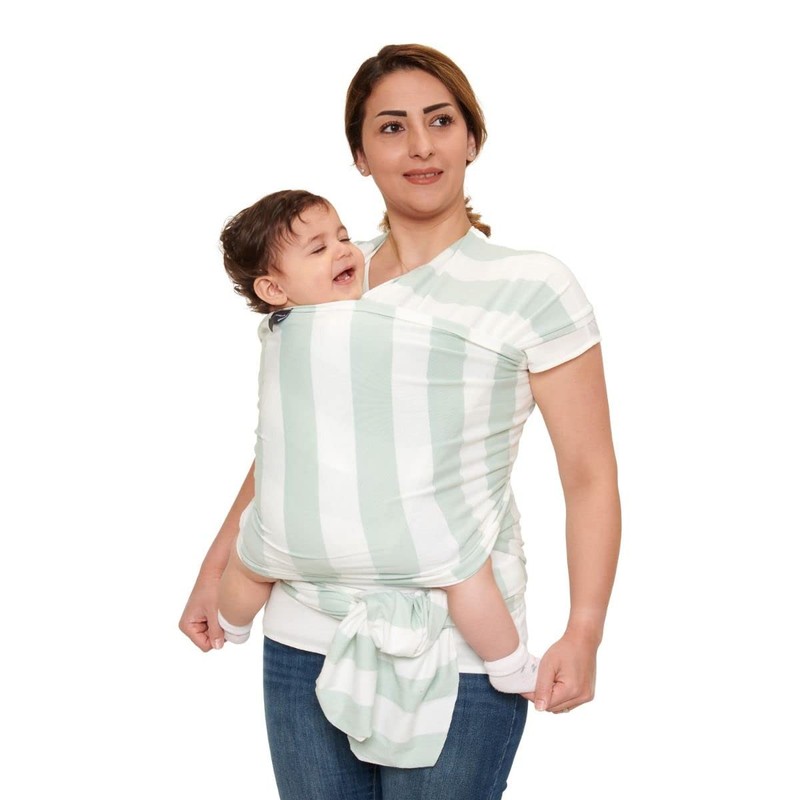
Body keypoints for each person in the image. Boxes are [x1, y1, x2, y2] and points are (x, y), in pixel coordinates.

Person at [180, 44, 620, 799]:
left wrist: (584, 630)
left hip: (461, 649)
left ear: (472, 137)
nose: (420, 146)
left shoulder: (531, 286)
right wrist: (214, 569)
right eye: (391, 127)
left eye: (440, 121)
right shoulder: (322, 275)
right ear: (359, 154)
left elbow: (589, 475)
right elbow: (291, 445)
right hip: (303, 637)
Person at [215, 188, 541, 706]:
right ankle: (509, 664)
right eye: (319, 249)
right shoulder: (316, 332)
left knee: (251, 561)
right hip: (392, 528)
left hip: (298, 526)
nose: (344, 250)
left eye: (342, 236)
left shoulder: (287, 329)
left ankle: (230, 623)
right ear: (274, 289)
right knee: (463, 572)